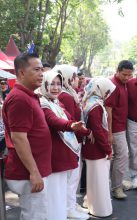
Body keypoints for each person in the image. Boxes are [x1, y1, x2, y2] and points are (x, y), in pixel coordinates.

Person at [2, 53, 51, 219]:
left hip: (32, 170)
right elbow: (19, 138)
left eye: (42, 70)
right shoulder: (19, 98)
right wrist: (34, 172)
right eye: (36, 70)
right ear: (21, 73)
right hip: (27, 172)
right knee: (35, 215)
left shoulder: (28, 95)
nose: (41, 74)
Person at [40, 70, 90, 220]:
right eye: (52, 84)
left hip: (63, 151)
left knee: (60, 190)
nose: (56, 88)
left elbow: (68, 118)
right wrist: (71, 125)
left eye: (58, 84)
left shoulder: (56, 102)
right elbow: (53, 121)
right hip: (54, 154)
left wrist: (84, 130)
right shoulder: (43, 102)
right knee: (55, 193)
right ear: (44, 85)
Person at [82, 77, 115, 217]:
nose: (108, 94)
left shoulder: (90, 102)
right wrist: (108, 149)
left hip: (92, 147)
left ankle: (92, 205)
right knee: (99, 180)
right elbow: (98, 130)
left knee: (94, 179)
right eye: (107, 91)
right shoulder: (95, 106)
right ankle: (101, 209)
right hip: (97, 149)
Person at [104, 60, 134, 199]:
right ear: (118, 70)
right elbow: (108, 111)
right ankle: (116, 188)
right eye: (124, 74)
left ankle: (116, 184)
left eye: (129, 75)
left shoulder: (124, 84)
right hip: (115, 128)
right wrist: (109, 133)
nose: (127, 78)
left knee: (119, 157)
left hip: (123, 126)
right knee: (122, 156)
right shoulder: (113, 85)